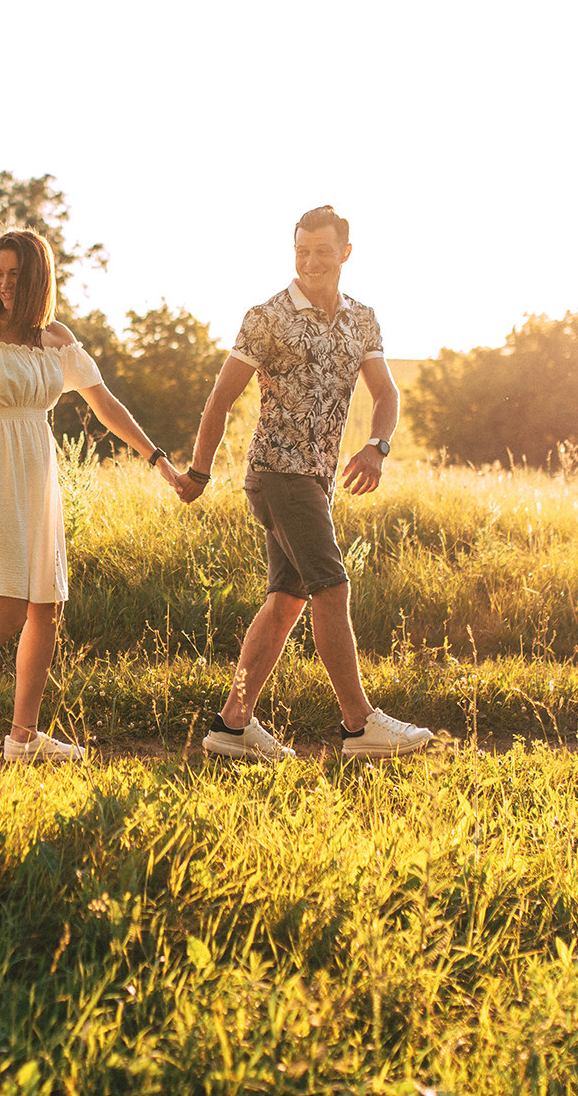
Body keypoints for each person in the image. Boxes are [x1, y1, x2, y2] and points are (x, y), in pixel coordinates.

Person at [0, 229, 188, 770]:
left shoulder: (56, 339)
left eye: (14, 275)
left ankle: (23, 737)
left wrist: (157, 459)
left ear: (38, 278)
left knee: (46, 606)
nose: (2, 285)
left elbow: (105, 404)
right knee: (6, 611)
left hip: (38, 467)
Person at [176, 205, 432, 762]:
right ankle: (359, 724)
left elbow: (386, 393)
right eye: (301, 250)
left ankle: (233, 724)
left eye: (321, 250)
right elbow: (221, 398)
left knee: (286, 601)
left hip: (316, 480)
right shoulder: (267, 317)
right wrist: (199, 469)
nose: (310, 261)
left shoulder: (361, 319)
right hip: (277, 472)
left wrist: (377, 445)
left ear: (344, 252)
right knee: (331, 587)